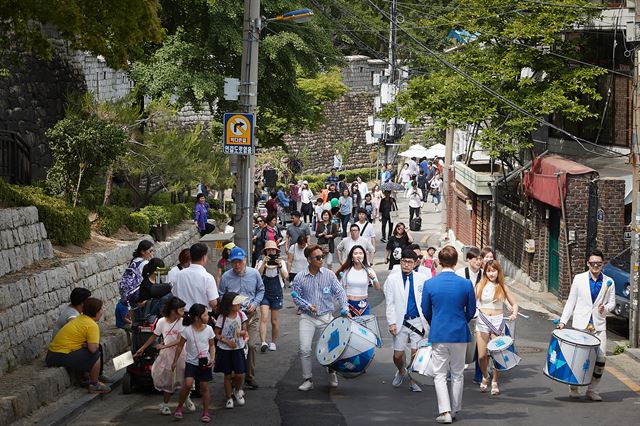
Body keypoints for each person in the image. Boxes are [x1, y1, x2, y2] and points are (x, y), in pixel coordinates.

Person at [421, 246, 476, 424]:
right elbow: (472, 310)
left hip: (439, 331)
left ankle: (444, 411)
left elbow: (426, 309)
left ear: (439, 261)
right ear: (455, 262)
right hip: (459, 331)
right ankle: (455, 409)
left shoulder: (430, 283)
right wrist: (462, 320)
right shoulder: (466, 284)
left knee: (440, 374)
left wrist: (433, 322)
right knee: (458, 373)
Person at [558, 248, 615, 401]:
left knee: (601, 359)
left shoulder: (609, 282)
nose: (595, 266)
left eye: (598, 264)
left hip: (598, 326)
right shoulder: (579, 279)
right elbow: (571, 301)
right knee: (578, 358)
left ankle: (593, 390)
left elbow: (612, 303)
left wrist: (606, 308)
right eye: (592, 264)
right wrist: (563, 321)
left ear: (603, 264)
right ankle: (574, 388)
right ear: (588, 264)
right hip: (580, 325)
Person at [291, 244, 348, 391]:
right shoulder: (299, 278)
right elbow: (296, 298)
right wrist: (306, 306)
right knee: (304, 349)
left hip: (326, 317)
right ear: (309, 260)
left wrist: (344, 307)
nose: (321, 259)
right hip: (307, 317)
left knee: (331, 348)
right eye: (318, 257)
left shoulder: (329, 274)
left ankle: (331, 372)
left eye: (322, 256)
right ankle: (308, 379)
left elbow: (340, 292)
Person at [134, 297, 193, 415]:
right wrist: (142, 348)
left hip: (182, 353)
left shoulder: (182, 322)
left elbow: (179, 340)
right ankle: (165, 404)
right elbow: (154, 336)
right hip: (167, 356)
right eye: (181, 310)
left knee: (185, 379)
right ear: (173, 311)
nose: (183, 312)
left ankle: (186, 398)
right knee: (168, 381)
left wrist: (164, 346)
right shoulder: (161, 322)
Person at [219, 247, 265, 390]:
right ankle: (234, 376)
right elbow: (221, 295)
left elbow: (261, 289)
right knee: (233, 346)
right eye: (234, 262)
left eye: (239, 261)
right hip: (233, 317)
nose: (237, 265)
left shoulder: (254, 274)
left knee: (250, 345)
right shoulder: (226, 276)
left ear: (245, 260)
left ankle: (249, 376)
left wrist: (255, 303)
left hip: (250, 315)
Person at [384, 249, 429, 393]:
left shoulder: (422, 278)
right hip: (400, 321)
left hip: (417, 321)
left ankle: (412, 379)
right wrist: (391, 322)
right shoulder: (392, 279)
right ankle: (402, 370)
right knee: (397, 355)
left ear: (416, 263)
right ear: (400, 261)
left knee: (415, 355)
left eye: (410, 262)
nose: (406, 264)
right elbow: (389, 303)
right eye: (404, 261)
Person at [46, 298, 110, 393]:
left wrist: (87, 345)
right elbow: (92, 349)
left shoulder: (80, 318)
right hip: (59, 356)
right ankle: (94, 384)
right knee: (96, 354)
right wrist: (89, 346)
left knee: (93, 348)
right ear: (96, 312)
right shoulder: (92, 325)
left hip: (52, 354)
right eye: (101, 309)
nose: (102, 311)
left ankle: (87, 377)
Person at [475, 261, 518, 395]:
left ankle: (494, 381)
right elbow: (472, 302)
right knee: (482, 356)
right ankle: (485, 375)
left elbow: (515, 304)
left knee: (497, 354)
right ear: (485, 271)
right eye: (488, 270)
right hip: (482, 321)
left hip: (498, 322)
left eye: (494, 270)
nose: (491, 273)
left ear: (498, 271)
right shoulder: (479, 286)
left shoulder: (503, 287)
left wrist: (514, 313)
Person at [172, 304, 215, 422]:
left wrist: (212, 358)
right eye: (205, 314)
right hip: (191, 361)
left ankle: (206, 412)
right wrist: (175, 361)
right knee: (188, 383)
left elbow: (212, 345)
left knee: (204, 387)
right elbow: (180, 347)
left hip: (204, 362)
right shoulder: (187, 330)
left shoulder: (209, 329)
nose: (207, 316)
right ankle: (179, 407)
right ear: (197, 317)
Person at [214, 292, 249, 409]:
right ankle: (229, 398)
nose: (239, 305)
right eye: (236, 304)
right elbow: (216, 334)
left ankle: (237, 390)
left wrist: (241, 333)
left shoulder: (241, 315)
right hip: (225, 349)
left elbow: (245, 330)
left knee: (239, 373)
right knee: (227, 375)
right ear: (229, 305)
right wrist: (227, 341)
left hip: (238, 347)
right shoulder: (222, 318)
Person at [256, 241, 288, 352]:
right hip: (264, 292)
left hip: (277, 293)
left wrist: (279, 265)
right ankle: (263, 342)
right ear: (265, 251)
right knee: (263, 317)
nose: (271, 252)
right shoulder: (261, 261)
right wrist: (264, 263)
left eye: (273, 250)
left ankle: (273, 342)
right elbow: (258, 275)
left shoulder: (281, 262)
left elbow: (286, 276)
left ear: (276, 251)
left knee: (274, 321)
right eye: (269, 250)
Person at [171, 243, 219, 312]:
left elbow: (174, 295)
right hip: (201, 317)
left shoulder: (179, 275)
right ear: (204, 258)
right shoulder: (208, 277)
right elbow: (213, 303)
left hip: (183, 315)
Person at [337, 245, 380, 317]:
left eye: (361, 253)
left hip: (363, 306)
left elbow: (377, 288)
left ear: (364, 256)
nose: (358, 255)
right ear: (352, 257)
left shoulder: (369, 270)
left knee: (362, 327)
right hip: (349, 305)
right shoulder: (347, 271)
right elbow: (341, 289)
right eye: (355, 253)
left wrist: (373, 279)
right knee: (350, 327)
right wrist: (345, 307)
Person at [119, 240, 154, 307]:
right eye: (150, 251)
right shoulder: (145, 263)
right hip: (137, 294)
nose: (152, 253)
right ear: (143, 252)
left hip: (128, 294)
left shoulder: (134, 260)